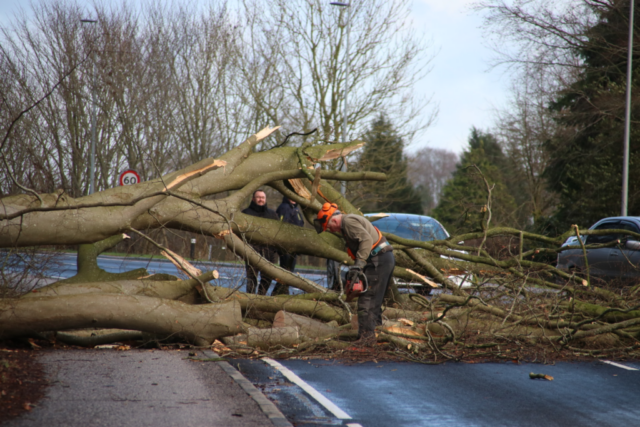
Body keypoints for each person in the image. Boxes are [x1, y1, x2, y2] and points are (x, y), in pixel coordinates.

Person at [314, 203, 395, 344]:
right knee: (374, 301)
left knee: (367, 300)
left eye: (328, 227)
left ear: (334, 220)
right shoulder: (347, 224)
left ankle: (366, 339)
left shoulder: (348, 222)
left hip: (378, 259)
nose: (330, 231)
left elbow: (366, 240)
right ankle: (378, 335)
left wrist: (359, 265)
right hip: (381, 259)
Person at [242, 190, 279, 295]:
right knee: (251, 278)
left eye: (263, 197)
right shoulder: (246, 213)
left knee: (267, 277)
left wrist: (275, 249)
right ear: (253, 199)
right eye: (258, 197)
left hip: (269, 252)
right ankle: (250, 299)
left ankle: (261, 297)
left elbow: (277, 233)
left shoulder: (272, 214)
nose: (261, 199)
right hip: (251, 250)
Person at [273, 196, 305, 295]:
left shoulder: (295, 208)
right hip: (286, 246)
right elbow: (282, 225)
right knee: (285, 271)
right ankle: (279, 293)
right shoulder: (284, 207)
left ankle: (282, 292)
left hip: (293, 245)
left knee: (289, 271)